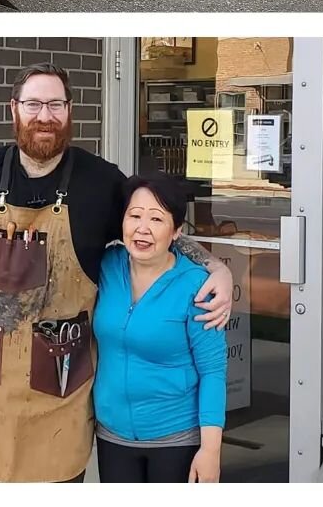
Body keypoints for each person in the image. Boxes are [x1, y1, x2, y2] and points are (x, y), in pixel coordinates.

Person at [0, 64, 233, 483]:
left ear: (70, 112)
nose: (44, 116)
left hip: (57, 405)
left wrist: (215, 267)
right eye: (33, 104)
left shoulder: (102, 182)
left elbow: (153, 226)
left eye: (56, 104)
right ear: (13, 110)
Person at [93, 172, 226, 483]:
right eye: (134, 215)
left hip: (176, 438)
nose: (143, 229)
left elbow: (213, 372)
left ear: (176, 230)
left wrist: (211, 451)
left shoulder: (197, 287)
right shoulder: (106, 266)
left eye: (156, 219)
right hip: (112, 434)